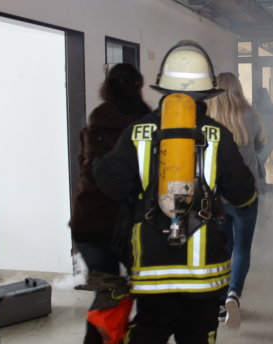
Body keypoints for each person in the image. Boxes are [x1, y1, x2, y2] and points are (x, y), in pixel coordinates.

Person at [93, 41, 256, 344]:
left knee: (148, 333)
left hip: (152, 269)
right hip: (203, 272)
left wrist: (100, 163)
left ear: (163, 89)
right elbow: (244, 194)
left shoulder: (137, 132)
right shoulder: (217, 135)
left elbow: (110, 186)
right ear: (207, 94)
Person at [68, 63, 151, 344]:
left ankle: (99, 339)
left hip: (88, 220)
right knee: (148, 291)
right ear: (138, 86)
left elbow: (85, 166)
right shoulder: (146, 122)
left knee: (107, 293)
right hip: (127, 223)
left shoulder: (95, 119)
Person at [206, 72, 265, 328]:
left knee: (223, 248)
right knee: (242, 248)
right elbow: (260, 147)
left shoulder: (208, 119)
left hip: (218, 197)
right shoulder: (251, 117)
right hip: (246, 194)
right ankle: (234, 294)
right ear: (238, 89)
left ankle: (220, 302)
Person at [253, 87, 273, 178]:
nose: (254, 97)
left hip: (267, 139)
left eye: (256, 95)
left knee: (259, 163)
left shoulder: (270, 108)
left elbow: (266, 122)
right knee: (258, 164)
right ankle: (261, 185)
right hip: (260, 140)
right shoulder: (255, 106)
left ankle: (261, 185)